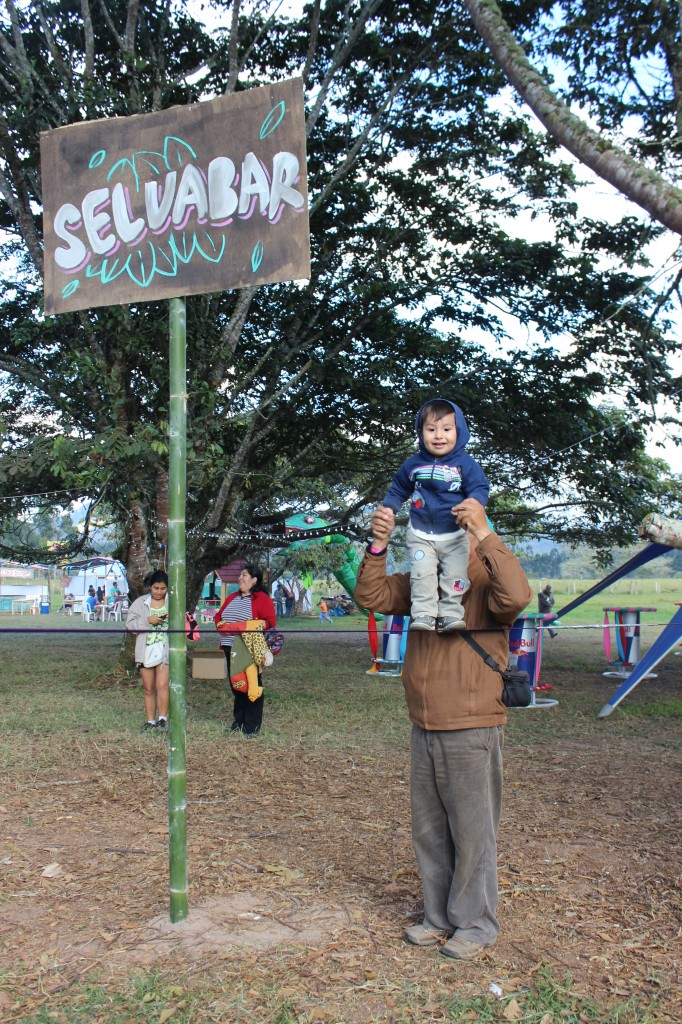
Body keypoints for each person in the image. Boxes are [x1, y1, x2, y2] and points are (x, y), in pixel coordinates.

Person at [354, 499, 532, 961]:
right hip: (424, 721)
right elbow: (371, 597)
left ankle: (475, 923)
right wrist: (377, 545)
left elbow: (515, 599)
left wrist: (485, 532)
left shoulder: (485, 571)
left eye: (452, 523)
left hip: (472, 722)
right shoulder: (421, 576)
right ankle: (438, 916)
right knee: (430, 831)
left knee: (473, 832)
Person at [381, 398, 489, 633]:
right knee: (422, 573)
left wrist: (474, 503)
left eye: (447, 429)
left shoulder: (465, 464)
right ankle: (423, 614)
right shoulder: (413, 464)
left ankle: (450, 613)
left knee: (456, 574)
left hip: (454, 535)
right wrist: (389, 508)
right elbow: (398, 488)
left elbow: (480, 488)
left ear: (458, 432)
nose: (439, 436)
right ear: (421, 432)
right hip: (421, 533)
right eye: (431, 429)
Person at [214, 564, 276, 736]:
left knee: (252, 684)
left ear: (254, 580)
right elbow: (219, 616)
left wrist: (246, 626)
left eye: (244, 575)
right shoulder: (233, 597)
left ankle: (251, 726)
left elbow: (270, 621)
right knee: (237, 685)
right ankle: (239, 722)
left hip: (248, 648)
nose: (240, 578)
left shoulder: (261, 598)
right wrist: (220, 624)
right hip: (229, 646)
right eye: (240, 575)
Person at [126, 570, 170, 732]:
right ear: (150, 587)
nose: (159, 592)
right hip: (145, 651)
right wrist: (147, 620)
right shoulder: (140, 603)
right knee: (149, 687)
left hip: (165, 651)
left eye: (163, 588)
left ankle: (163, 719)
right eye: (156, 588)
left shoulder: (172, 603)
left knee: (162, 684)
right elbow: (130, 626)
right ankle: (150, 721)